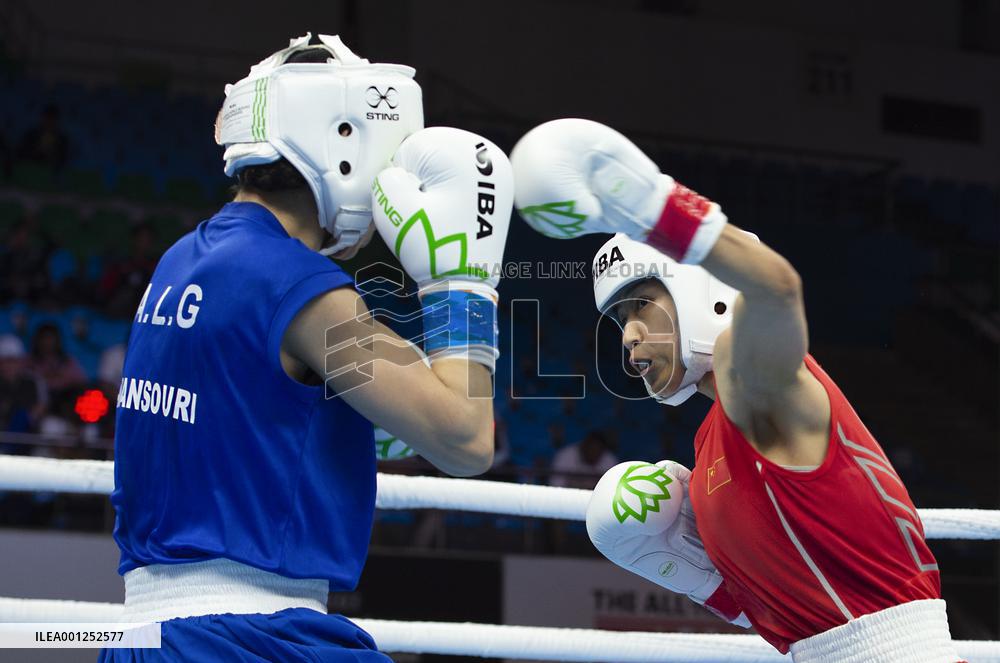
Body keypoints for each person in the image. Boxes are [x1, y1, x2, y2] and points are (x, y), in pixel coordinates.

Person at [100, 34, 512, 661]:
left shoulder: (182, 261)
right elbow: (466, 437)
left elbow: (253, 413)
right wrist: (462, 283)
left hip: (146, 638)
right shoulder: (303, 290)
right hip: (253, 638)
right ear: (346, 143)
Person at [510, 119, 960, 662]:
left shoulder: (757, 390)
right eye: (620, 318)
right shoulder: (710, 444)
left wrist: (655, 206)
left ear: (698, 293)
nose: (628, 335)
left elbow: (776, 288)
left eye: (641, 307)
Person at [550, 430, 618, 489]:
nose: (593, 453)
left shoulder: (609, 460)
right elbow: (556, 485)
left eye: (597, 450)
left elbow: (612, 491)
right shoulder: (566, 455)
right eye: (590, 449)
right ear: (583, 446)